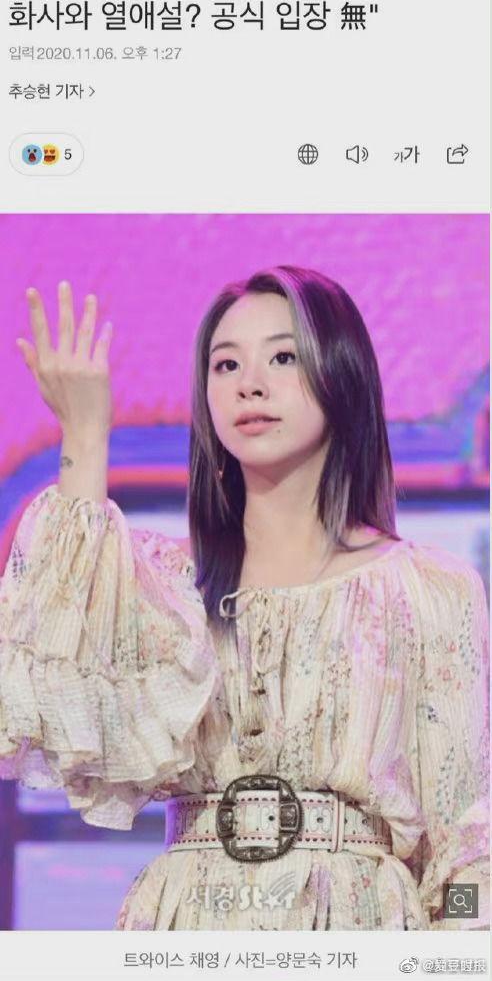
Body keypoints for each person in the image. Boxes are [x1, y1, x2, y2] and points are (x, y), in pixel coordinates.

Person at [0, 267, 489, 932]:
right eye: (226, 365)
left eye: (283, 357)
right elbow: (57, 677)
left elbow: (468, 847)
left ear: (341, 374)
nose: (249, 384)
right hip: (190, 922)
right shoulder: (165, 586)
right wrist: (85, 435)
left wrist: (458, 955)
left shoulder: (428, 588)